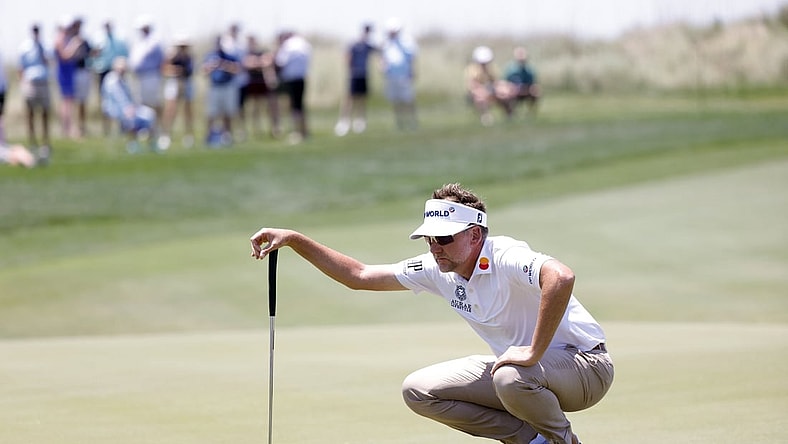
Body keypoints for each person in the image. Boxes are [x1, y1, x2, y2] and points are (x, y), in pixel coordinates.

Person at [250, 183, 614, 444]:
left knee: (510, 378)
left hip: (584, 367)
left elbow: (561, 276)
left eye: (444, 239)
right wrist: (296, 239)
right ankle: (531, 441)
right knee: (420, 391)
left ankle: (562, 441)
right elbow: (358, 276)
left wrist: (533, 351)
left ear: (475, 235)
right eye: (429, 239)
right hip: (522, 372)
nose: (434, 248)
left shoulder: (504, 254)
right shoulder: (437, 268)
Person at [101, 57, 157, 153]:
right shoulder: (111, 80)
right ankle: (133, 144)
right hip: (115, 108)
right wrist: (127, 108)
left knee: (149, 113)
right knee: (130, 118)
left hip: (130, 108)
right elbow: (118, 98)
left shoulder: (126, 79)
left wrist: (134, 106)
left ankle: (151, 144)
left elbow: (132, 96)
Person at [334, 23, 378, 136]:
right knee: (349, 98)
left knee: (362, 98)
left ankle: (360, 121)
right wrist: (351, 69)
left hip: (363, 75)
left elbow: (379, 50)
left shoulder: (368, 45)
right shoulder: (354, 44)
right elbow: (347, 56)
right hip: (354, 74)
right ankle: (344, 121)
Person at [18, 23, 52, 163]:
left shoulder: (45, 46)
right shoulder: (25, 47)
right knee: (30, 112)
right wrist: (23, 83)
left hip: (43, 81)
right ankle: (32, 141)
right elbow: (21, 67)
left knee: (45, 112)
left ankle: (45, 142)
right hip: (30, 82)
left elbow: (49, 62)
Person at [91, 20, 128, 135]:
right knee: (105, 103)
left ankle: (121, 127)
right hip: (103, 72)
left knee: (122, 100)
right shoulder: (98, 39)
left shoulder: (119, 40)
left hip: (117, 71)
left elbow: (124, 55)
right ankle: (106, 128)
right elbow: (93, 57)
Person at [202, 34, 241, 147]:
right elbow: (203, 71)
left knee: (227, 112)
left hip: (228, 86)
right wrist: (211, 66)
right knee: (211, 113)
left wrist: (225, 66)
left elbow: (237, 69)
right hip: (215, 87)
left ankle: (227, 135)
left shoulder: (230, 56)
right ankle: (209, 135)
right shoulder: (210, 56)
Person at [380, 18, 418, 131]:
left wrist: (412, 72)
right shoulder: (386, 43)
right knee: (395, 100)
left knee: (408, 100)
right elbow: (383, 58)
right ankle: (399, 122)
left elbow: (412, 58)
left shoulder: (406, 42)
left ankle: (412, 121)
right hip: (391, 76)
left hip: (404, 76)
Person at [274, 30, 311, 144]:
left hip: (290, 79)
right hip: (302, 78)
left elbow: (280, 62)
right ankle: (304, 130)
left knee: (294, 106)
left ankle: (297, 131)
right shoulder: (304, 44)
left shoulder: (287, 46)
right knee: (300, 105)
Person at [159, 34, 195, 149]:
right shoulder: (172, 57)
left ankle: (188, 135)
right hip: (174, 83)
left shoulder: (189, 58)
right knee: (170, 110)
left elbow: (190, 71)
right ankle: (166, 134)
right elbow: (164, 70)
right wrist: (175, 70)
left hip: (186, 83)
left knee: (187, 110)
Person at [465, 46, 516, 126]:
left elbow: (496, 82)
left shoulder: (492, 69)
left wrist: (505, 88)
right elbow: (473, 87)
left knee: (504, 96)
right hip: (478, 94)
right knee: (481, 98)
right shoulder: (472, 70)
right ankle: (486, 117)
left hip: (490, 91)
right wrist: (486, 92)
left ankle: (510, 116)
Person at [241, 34, 280, 138]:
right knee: (255, 107)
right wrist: (259, 63)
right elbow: (247, 64)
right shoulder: (247, 53)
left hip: (264, 83)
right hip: (253, 82)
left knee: (271, 107)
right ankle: (257, 130)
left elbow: (267, 62)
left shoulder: (262, 52)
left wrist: (256, 62)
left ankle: (274, 129)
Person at [128, 15, 164, 127]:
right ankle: (145, 128)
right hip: (139, 77)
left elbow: (161, 61)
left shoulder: (155, 43)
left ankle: (158, 128)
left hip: (151, 76)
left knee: (154, 103)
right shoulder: (138, 43)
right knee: (141, 104)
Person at [503, 47, 540, 115]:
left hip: (526, 90)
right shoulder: (510, 69)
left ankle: (531, 113)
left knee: (536, 92)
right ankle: (510, 113)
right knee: (505, 94)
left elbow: (532, 84)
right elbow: (506, 83)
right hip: (513, 91)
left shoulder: (530, 69)